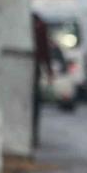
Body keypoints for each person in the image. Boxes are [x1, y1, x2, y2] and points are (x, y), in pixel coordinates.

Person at [31, 12, 53, 147]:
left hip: (34, 67)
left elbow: (45, 50)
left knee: (34, 103)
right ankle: (32, 134)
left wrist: (49, 71)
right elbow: (45, 51)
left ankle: (32, 134)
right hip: (32, 67)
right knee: (34, 103)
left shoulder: (39, 26)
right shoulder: (39, 25)